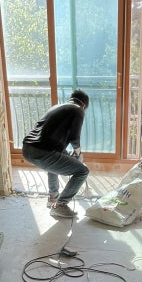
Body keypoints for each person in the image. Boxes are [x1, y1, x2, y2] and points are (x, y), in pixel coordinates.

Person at [22, 90, 90, 218]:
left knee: (56, 160)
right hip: (43, 151)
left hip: (27, 148)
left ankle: (53, 198)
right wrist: (78, 153)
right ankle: (59, 205)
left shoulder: (56, 107)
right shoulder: (78, 110)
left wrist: (70, 155)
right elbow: (74, 137)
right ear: (84, 105)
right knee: (82, 171)